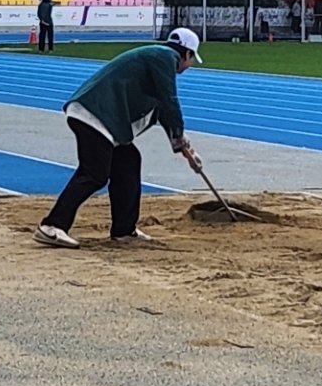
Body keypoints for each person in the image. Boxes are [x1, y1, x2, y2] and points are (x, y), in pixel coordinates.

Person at [35, 29, 204, 248]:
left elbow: (162, 110)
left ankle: (124, 229)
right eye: (191, 59)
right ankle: (52, 226)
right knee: (94, 174)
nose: (189, 65)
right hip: (94, 116)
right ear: (186, 53)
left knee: (128, 161)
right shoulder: (165, 57)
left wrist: (184, 147)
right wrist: (179, 135)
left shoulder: (155, 58)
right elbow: (169, 100)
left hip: (104, 121)